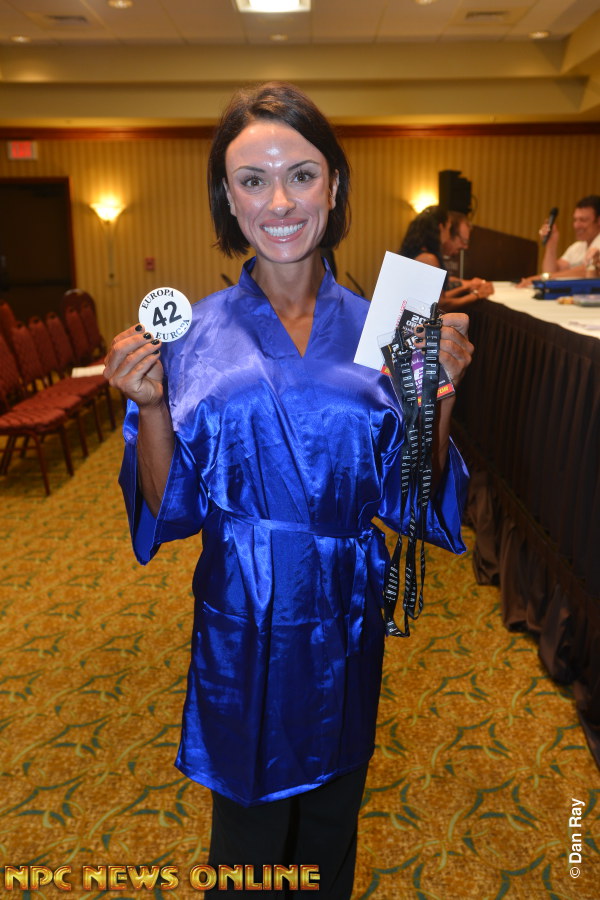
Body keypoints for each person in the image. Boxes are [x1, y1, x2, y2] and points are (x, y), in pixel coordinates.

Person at [103, 82, 473, 899]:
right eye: (253, 180)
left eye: (302, 175)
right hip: (244, 608)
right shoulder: (192, 334)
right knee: (247, 836)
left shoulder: (389, 325)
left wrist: (438, 395)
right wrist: (153, 407)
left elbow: (412, 497)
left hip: (344, 607)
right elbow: (170, 509)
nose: (279, 202)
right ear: (227, 197)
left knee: (333, 820)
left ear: (334, 186)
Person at [399, 205, 493, 310]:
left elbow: (441, 297)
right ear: (441, 228)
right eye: (448, 229)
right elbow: (441, 304)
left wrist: (466, 287)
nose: (448, 236)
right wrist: (477, 295)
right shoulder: (428, 259)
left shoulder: (419, 252)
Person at [519, 195, 600, 286]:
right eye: (575, 220)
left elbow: (585, 271)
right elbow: (551, 271)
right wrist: (551, 244)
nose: (576, 225)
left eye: (583, 220)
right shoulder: (577, 247)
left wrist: (540, 278)